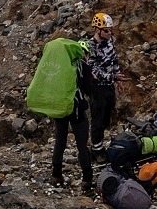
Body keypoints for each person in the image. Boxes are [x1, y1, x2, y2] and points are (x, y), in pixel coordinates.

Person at [26, 30, 91, 189]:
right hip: (76, 110)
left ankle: (56, 175)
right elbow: (89, 89)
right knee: (82, 144)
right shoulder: (81, 67)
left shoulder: (61, 68)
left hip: (60, 108)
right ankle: (87, 180)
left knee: (60, 140)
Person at [81, 13, 119, 151]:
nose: (109, 33)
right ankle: (96, 148)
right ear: (97, 30)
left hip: (109, 85)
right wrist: (112, 77)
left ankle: (101, 140)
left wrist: (117, 75)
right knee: (98, 116)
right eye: (106, 30)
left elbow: (114, 59)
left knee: (107, 114)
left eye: (110, 30)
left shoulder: (110, 42)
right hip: (97, 87)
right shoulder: (91, 46)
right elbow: (93, 69)